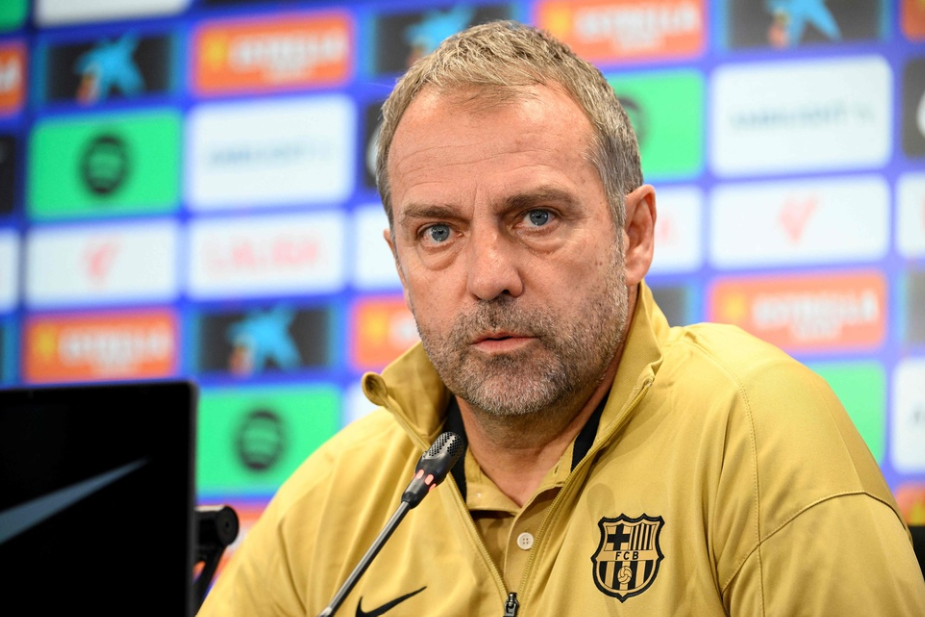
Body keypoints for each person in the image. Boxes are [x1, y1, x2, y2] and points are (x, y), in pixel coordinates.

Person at [198, 20, 925, 616]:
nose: (487, 277)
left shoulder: (757, 433)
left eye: (536, 216)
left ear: (633, 233)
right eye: (438, 233)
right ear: (399, 259)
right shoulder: (334, 502)